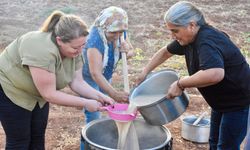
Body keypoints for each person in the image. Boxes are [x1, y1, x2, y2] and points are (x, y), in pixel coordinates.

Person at [136, 1, 250, 150]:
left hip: (238, 102)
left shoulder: (206, 41)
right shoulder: (189, 38)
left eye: (175, 31)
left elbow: (215, 73)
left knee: (226, 146)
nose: (172, 35)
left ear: (191, 25)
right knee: (214, 142)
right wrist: (145, 71)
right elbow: (165, 52)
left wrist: (180, 84)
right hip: (221, 102)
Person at [0, 10, 114, 150]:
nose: (80, 51)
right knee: (20, 141)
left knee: (37, 137)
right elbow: (49, 94)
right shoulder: (41, 49)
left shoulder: (76, 47)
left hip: (37, 93)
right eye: (75, 48)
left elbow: (77, 82)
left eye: (83, 46)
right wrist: (86, 103)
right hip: (10, 90)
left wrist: (101, 97)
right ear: (59, 40)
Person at [80, 6, 133, 149]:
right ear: (104, 27)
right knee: (94, 113)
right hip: (89, 79)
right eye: (113, 32)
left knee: (108, 108)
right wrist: (114, 93)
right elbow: (95, 73)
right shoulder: (94, 41)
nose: (117, 35)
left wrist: (127, 51)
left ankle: (107, 143)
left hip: (106, 76)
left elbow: (130, 52)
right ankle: (88, 145)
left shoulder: (121, 32)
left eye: (120, 31)